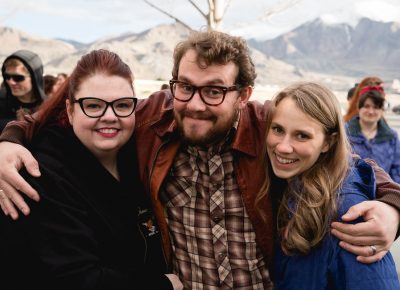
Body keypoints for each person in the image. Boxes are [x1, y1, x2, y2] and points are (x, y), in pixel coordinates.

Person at [0, 31, 400, 289]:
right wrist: (9, 141)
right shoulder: (152, 119)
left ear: (243, 95)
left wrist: (392, 206)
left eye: (214, 92)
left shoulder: (268, 127)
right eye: (186, 87)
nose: (194, 104)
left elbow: (343, 158)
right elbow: (58, 114)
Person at [0, 49, 181, 290]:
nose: (110, 116)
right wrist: (163, 285)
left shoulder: (138, 152)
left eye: (122, 105)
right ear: (71, 111)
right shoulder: (41, 176)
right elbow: (75, 278)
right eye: (93, 106)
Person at [257, 81, 400, 289]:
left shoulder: (348, 213)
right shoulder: (292, 187)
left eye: (302, 135)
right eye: (278, 129)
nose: (283, 146)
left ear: (328, 142)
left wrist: (394, 204)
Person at [346, 86, 400, 183]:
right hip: (351, 190)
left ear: (382, 110)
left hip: (384, 191)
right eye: (366, 106)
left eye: (376, 107)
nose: (371, 111)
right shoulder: (344, 132)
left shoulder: (391, 136)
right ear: (359, 107)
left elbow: (397, 170)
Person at [0, 50, 47, 131]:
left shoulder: (49, 107)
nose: (11, 82)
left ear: (34, 78)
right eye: (7, 76)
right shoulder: (1, 100)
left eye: (18, 78)